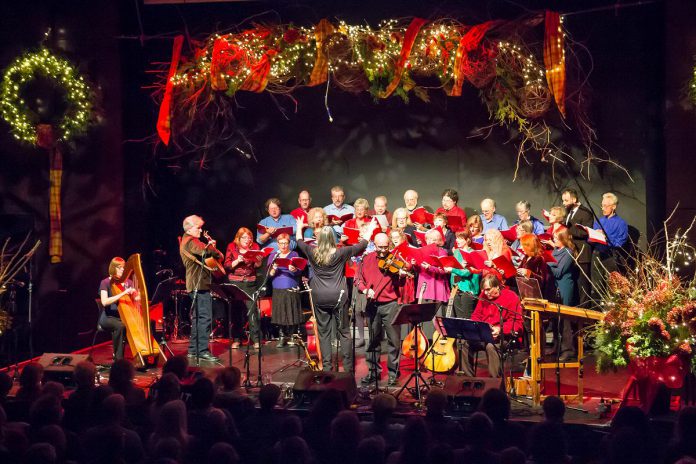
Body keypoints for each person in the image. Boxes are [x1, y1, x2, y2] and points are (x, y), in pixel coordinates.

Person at [295, 215, 375, 372]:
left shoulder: (312, 252)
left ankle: (327, 367)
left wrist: (299, 227)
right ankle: (347, 368)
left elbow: (299, 241)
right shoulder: (341, 252)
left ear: (319, 239)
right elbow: (363, 244)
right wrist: (370, 229)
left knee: (324, 333)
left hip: (319, 296)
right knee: (344, 332)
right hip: (338, 296)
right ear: (333, 238)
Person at [356, 233, 410, 386]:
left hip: (390, 304)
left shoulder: (395, 259)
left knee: (393, 341)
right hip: (372, 304)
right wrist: (365, 290)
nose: (383, 251)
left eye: (386, 247)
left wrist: (402, 275)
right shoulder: (367, 259)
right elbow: (357, 279)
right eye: (380, 247)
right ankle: (374, 372)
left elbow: (401, 284)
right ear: (374, 244)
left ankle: (394, 373)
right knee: (373, 340)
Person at [459, 274, 523, 378]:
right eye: (484, 290)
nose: (485, 293)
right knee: (463, 342)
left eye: (488, 289)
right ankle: (469, 381)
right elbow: (476, 315)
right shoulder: (483, 296)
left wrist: (500, 329)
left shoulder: (511, 297)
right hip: (484, 334)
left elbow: (516, 323)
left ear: (497, 286)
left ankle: (495, 382)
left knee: (490, 346)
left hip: (502, 336)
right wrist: (475, 326)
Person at [179, 215, 223, 363]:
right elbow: (206, 252)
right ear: (190, 228)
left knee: (199, 318)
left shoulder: (186, 240)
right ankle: (202, 350)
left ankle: (193, 350)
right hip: (199, 285)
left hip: (194, 284)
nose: (200, 230)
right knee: (205, 318)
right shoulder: (191, 240)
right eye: (198, 227)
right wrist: (212, 246)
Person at [224, 227, 263, 349]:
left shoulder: (255, 247)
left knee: (252, 311)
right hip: (235, 282)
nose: (247, 240)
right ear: (238, 238)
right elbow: (227, 265)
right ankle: (237, 338)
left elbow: (257, 265)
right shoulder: (232, 247)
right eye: (244, 237)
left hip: (250, 282)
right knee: (236, 311)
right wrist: (237, 261)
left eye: (249, 237)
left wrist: (258, 261)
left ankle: (256, 339)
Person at [548, 228, 579, 361]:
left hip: (564, 288)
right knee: (555, 318)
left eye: (556, 237)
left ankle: (568, 349)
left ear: (563, 239)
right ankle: (557, 345)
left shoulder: (568, 252)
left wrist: (547, 263)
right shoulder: (556, 251)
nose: (554, 239)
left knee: (565, 319)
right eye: (554, 237)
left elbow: (559, 272)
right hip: (554, 288)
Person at [268, 233, 303, 347]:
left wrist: (293, 269)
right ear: (277, 244)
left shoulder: (294, 254)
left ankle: (293, 335)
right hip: (278, 286)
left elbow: (299, 271)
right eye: (281, 243)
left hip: (291, 285)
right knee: (280, 312)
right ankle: (282, 336)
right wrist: (273, 269)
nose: (283, 246)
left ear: (289, 243)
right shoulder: (273, 255)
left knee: (291, 311)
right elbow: (269, 275)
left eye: (286, 243)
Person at [98, 257, 136, 360]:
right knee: (120, 326)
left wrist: (136, 295)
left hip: (123, 316)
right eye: (120, 268)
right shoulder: (105, 282)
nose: (123, 270)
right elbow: (104, 302)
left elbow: (135, 299)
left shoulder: (128, 282)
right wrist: (123, 293)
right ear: (113, 268)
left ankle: (143, 356)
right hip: (108, 317)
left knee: (147, 323)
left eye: (124, 268)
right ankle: (118, 358)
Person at [561, 188, 594, 307]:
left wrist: (568, 229)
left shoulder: (585, 213)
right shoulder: (569, 212)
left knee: (583, 284)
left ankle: (585, 312)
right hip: (572, 252)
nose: (564, 203)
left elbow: (585, 232)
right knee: (574, 283)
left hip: (582, 253)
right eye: (563, 201)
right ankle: (575, 311)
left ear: (574, 199)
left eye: (566, 200)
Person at [444, 230, 481, 319]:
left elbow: (467, 272)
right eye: (457, 238)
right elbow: (455, 269)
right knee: (459, 318)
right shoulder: (456, 252)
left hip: (468, 290)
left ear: (467, 240)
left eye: (460, 238)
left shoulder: (472, 253)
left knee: (467, 317)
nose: (457, 240)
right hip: (456, 288)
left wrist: (453, 270)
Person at [516, 233, 556, 301]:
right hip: (524, 294)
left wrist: (529, 273)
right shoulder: (526, 258)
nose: (521, 248)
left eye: (523, 246)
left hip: (534, 297)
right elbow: (518, 277)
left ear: (529, 246)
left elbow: (542, 280)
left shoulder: (539, 259)